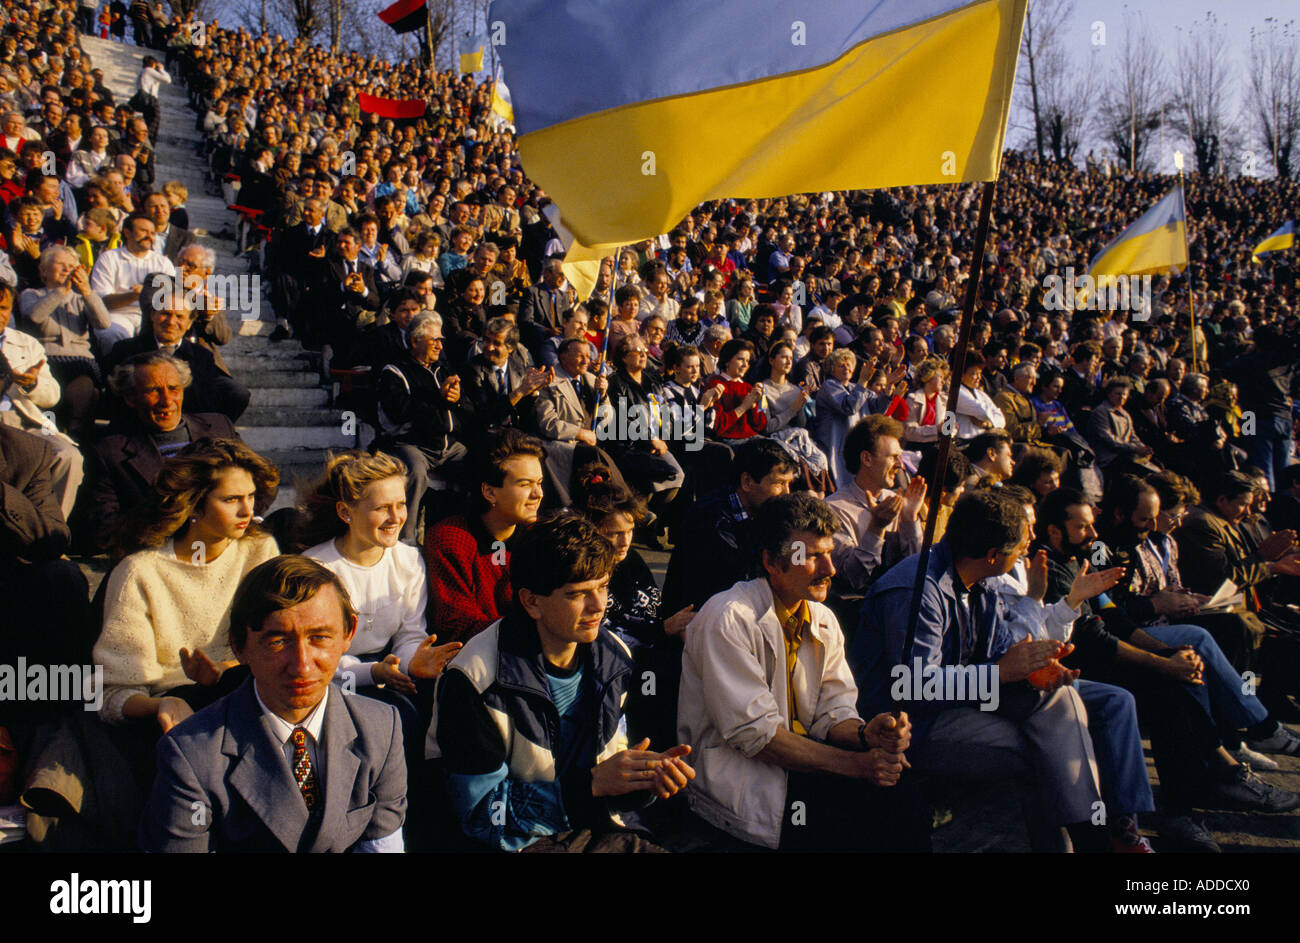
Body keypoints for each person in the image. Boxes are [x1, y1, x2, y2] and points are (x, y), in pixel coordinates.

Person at [855, 489, 1112, 852]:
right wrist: (1000, 674)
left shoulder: (984, 581)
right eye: (1019, 546)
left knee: (1062, 698)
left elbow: (999, 647)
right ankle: (1087, 840)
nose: (1026, 550)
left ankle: (1088, 839)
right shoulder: (917, 590)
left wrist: (1035, 666)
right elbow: (913, 686)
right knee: (1048, 752)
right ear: (993, 555)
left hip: (967, 702)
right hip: (913, 722)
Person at [429, 513, 693, 852]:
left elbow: (611, 777)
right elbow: (482, 818)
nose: (598, 606)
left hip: (599, 831)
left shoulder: (615, 656)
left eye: (602, 586)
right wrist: (591, 786)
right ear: (531, 601)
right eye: (576, 594)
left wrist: (642, 780)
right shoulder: (473, 680)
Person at [678, 493, 928, 851]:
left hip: (803, 764)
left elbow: (833, 713)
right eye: (812, 557)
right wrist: (857, 765)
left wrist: (865, 734)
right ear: (771, 562)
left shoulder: (822, 618)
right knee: (863, 816)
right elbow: (757, 737)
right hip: (743, 778)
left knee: (901, 793)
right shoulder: (728, 617)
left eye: (828, 553)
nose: (831, 569)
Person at [139, 554, 407, 852]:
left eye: (319, 637)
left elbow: (382, 843)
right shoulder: (192, 756)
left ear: (348, 634)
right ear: (240, 646)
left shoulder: (382, 728)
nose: (302, 666)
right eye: (278, 642)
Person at [94, 438, 281, 733]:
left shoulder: (261, 550)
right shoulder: (141, 572)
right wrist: (164, 705)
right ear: (193, 503)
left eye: (251, 496)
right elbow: (111, 696)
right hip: (168, 716)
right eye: (231, 499)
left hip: (251, 695)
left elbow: (278, 644)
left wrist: (226, 670)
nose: (248, 510)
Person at [299, 450, 462, 697]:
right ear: (345, 512)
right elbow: (312, 652)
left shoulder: (408, 560)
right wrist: (372, 672)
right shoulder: (316, 568)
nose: (396, 518)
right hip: (328, 681)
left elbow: (409, 635)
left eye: (401, 505)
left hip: (387, 675)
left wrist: (411, 662)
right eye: (382, 508)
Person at [78, 352, 238, 553]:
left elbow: (259, 482)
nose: (166, 400)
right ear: (130, 397)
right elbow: (105, 527)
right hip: (161, 553)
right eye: (153, 390)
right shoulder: (109, 452)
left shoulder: (219, 426)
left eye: (173, 388)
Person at [423, 428, 545, 645]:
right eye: (525, 484)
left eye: (539, 482)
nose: (538, 494)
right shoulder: (449, 541)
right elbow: (457, 626)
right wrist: (542, 629)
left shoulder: (540, 536)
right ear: (489, 492)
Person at [661, 437, 798, 613]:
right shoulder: (710, 519)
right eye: (779, 483)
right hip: (701, 621)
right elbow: (741, 578)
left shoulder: (762, 512)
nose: (787, 493)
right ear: (747, 482)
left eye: (789, 484)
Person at [372, 312, 472, 540]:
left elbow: (468, 410)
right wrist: (437, 397)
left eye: (441, 340)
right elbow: (399, 413)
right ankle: (406, 539)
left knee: (474, 465)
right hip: (412, 444)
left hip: (449, 446)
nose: (439, 345)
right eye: (434, 340)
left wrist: (457, 399)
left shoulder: (443, 369)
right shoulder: (394, 371)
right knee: (415, 473)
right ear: (415, 341)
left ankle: (458, 535)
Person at [827, 415, 926, 595]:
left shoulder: (896, 502)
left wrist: (910, 518)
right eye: (893, 457)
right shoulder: (834, 509)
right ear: (867, 459)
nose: (900, 465)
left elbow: (916, 568)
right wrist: (876, 528)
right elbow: (853, 578)